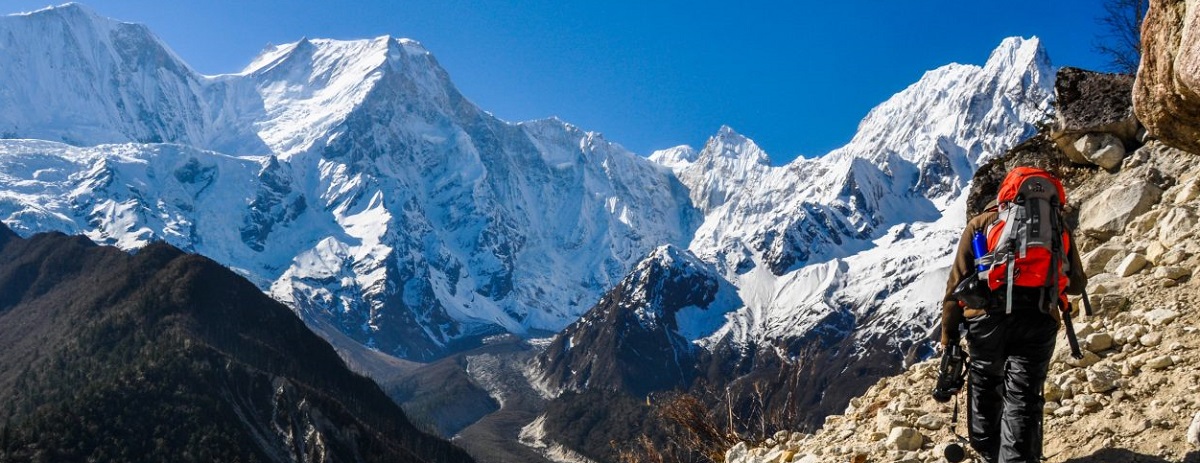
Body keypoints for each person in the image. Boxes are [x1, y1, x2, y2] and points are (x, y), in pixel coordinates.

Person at [941, 188, 1087, 463]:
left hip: (987, 321)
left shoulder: (980, 224)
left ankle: (988, 454)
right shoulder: (1055, 223)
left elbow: (955, 286)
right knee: (1024, 396)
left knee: (985, 384)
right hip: (1039, 317)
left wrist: (949, 338)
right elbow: (1077, 283)